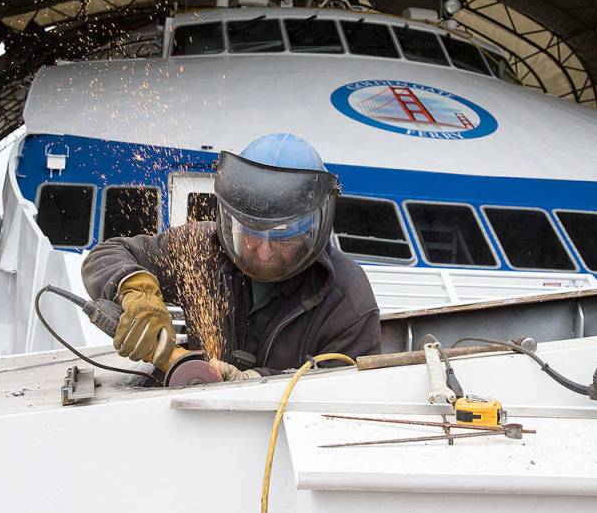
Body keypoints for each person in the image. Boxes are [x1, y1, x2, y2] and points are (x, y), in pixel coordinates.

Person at [81, 133, 382, 380]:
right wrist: (136, 289)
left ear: (314, 229)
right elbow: (107, 255)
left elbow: (344, 390)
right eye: (250, 234)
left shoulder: (347, 298)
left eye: (283, 238)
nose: (263, 252)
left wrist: (254, 381)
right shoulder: (198, 250)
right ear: (228, 219)